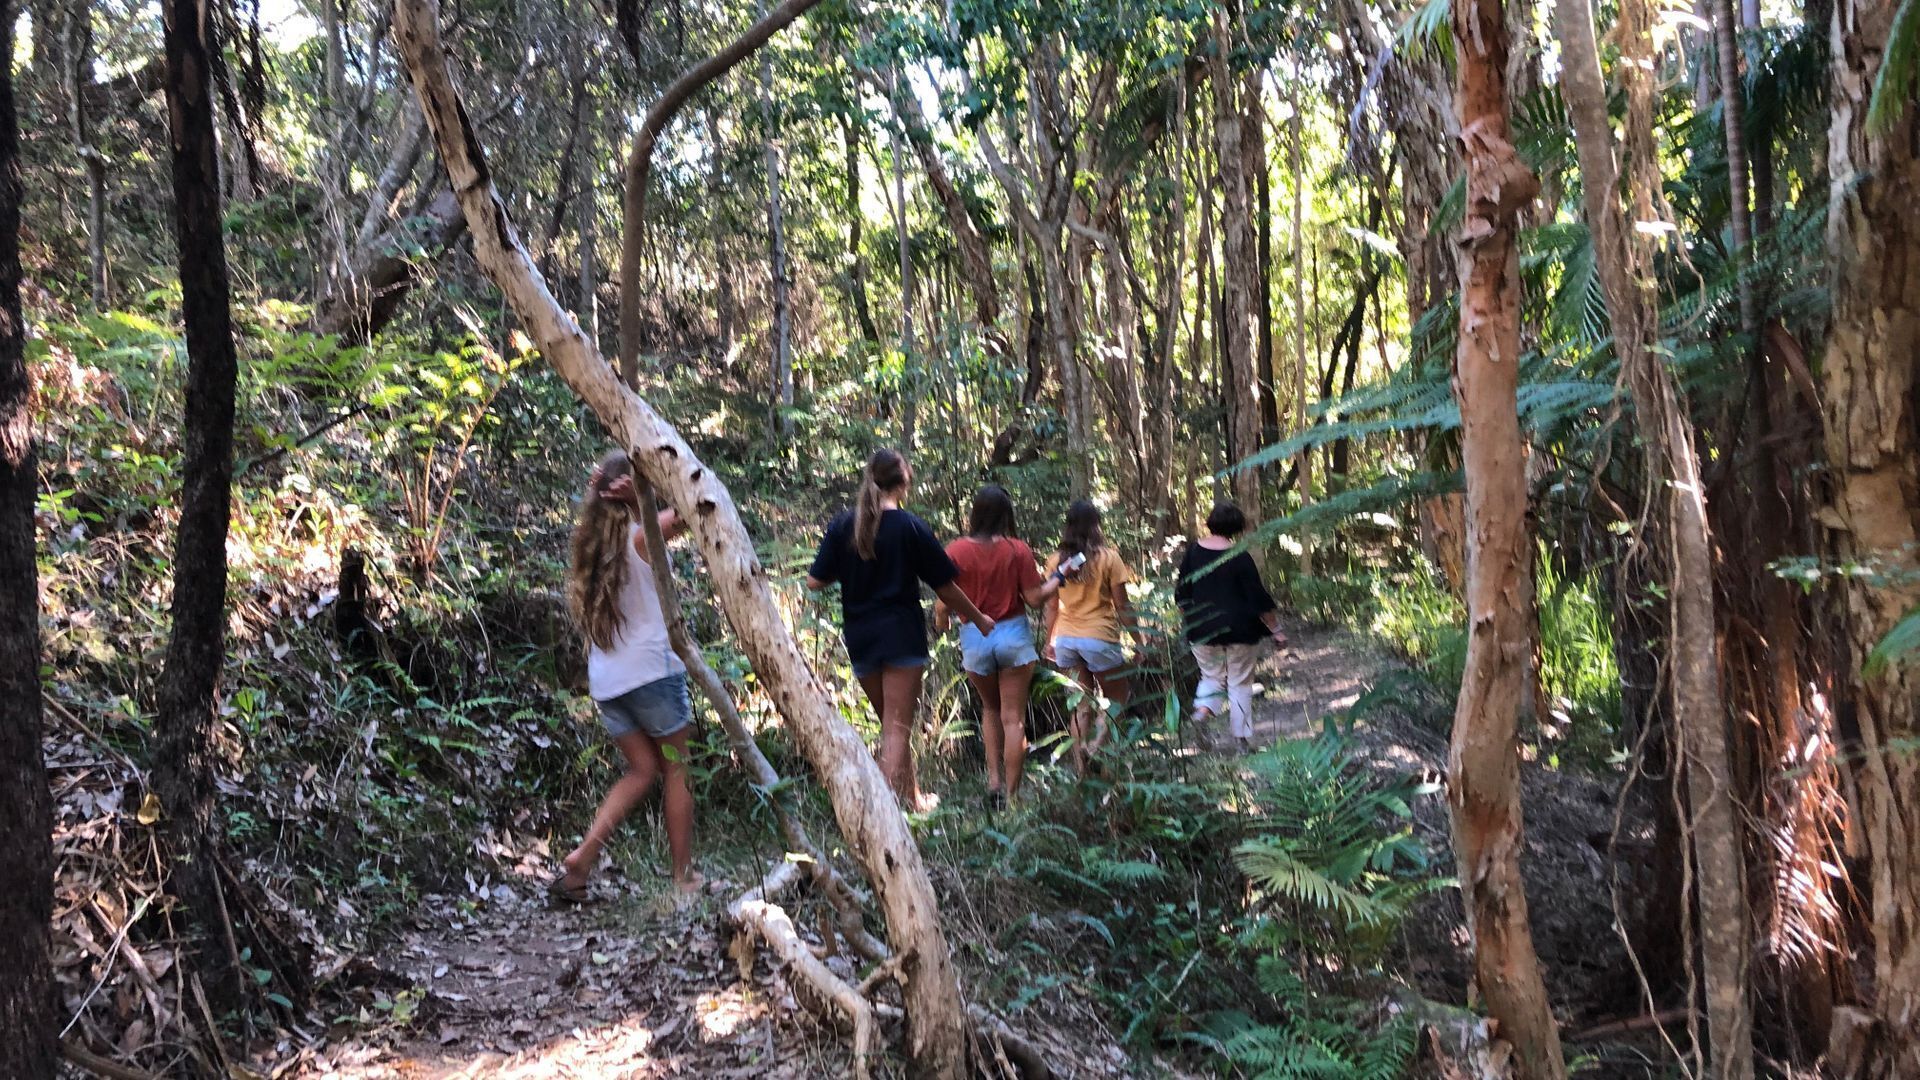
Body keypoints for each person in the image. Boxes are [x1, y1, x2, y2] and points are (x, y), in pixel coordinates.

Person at [807, 449, 995, 808]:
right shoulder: (909, 527)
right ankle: (878, 815)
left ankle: (912, 797)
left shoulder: (844, 525)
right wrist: (980, 618)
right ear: (903, 482)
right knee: (897, 728)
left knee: (893, 725)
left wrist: (848, 569)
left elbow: (815, 581)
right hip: (901, 638)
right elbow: (945, 587)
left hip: (861, 638)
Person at [552, 450, 701, 902]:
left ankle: (581, 861)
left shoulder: (594, 549)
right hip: (653, 672)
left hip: (609, 682)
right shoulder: (643, 537)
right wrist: (649, 488)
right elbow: (699, 504)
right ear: (633, 489)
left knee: (642, 770)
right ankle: (683, 879)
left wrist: (638, 491)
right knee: (679, 771)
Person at [934, 485, 1069, 808]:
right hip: (1013, 636)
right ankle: (1011, 797)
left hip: (975, 637)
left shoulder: (955, 551)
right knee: (1013, 719)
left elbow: (942, 605)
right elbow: (1035, 600)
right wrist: (1058, 579)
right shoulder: (1017, 550)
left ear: (975, 514)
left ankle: (993, 784)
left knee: (990, 709)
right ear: (1005, 515)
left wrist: (943, 626)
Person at [1175, 501, 1289, 754]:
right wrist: (1276, 629)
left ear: (1210, 523)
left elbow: (1182, 594)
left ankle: (1200, 717)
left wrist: (1193, 620)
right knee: (1239, 682)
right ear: (1237, 527)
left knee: (1211, 677)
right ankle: (1240, 742)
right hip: (1241, 630)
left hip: (1202, 630)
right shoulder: (1239, 556)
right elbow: (1258, 598)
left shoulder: (1193, 553)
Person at [1042, 500, 1134, 773]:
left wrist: (1050, 641)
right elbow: (1122, 605)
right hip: (1099, 637)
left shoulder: (1055, 561)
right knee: (1118, 698)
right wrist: (1138, 641)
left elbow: (1051, 605)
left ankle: (1082, 772)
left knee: (1081, 705)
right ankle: (1096, 750)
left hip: (1067, 640)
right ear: (1096, 525)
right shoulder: (1109, 558)